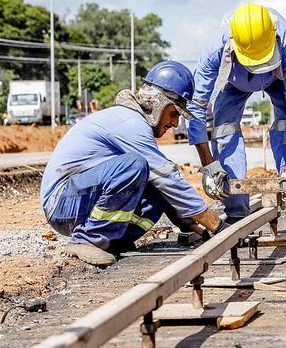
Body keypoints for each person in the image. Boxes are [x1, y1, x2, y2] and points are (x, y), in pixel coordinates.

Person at [40, 61, 227, 267]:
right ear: (158, 103)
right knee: (137, 166)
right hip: (62, 204)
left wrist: (192, 224)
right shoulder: (130, 122)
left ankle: (115, 241)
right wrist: (217, 226)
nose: (174, 123)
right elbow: (167, 177)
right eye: (174, 113)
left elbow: (163, 184)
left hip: (78, 199)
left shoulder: (132, 122)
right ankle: (86, 240)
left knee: (152, 175)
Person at [187, 3, 286, 235]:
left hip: (277, 78)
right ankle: (236, 212)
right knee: (223, 128)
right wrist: (208, 165)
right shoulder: (216, 48)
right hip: (234, 81)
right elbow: (195, 106)